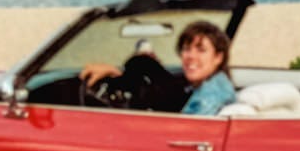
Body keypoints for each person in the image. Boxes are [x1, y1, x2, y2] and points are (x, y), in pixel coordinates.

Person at [79, 20, 236, 115]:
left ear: (218, 57)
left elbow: (187, 131)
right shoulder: (208, 84)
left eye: (201, 50)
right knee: (143, 63)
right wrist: (117, 73)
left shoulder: (212, 94)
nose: (190, 56)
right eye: (187, 49)